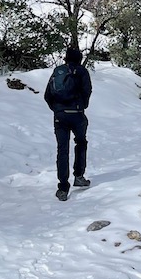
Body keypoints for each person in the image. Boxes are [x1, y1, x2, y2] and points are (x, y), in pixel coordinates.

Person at [44, 45, 92, 201]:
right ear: (79, 58)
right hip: (77, 114)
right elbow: (87, 91)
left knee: (62, 150)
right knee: (81, 143)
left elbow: (47, 94)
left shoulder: (58, 71)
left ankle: (63, 188)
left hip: (60, 116)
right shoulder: (82, 71)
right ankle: (79, 176)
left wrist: (57, 109)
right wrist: (81, 106)